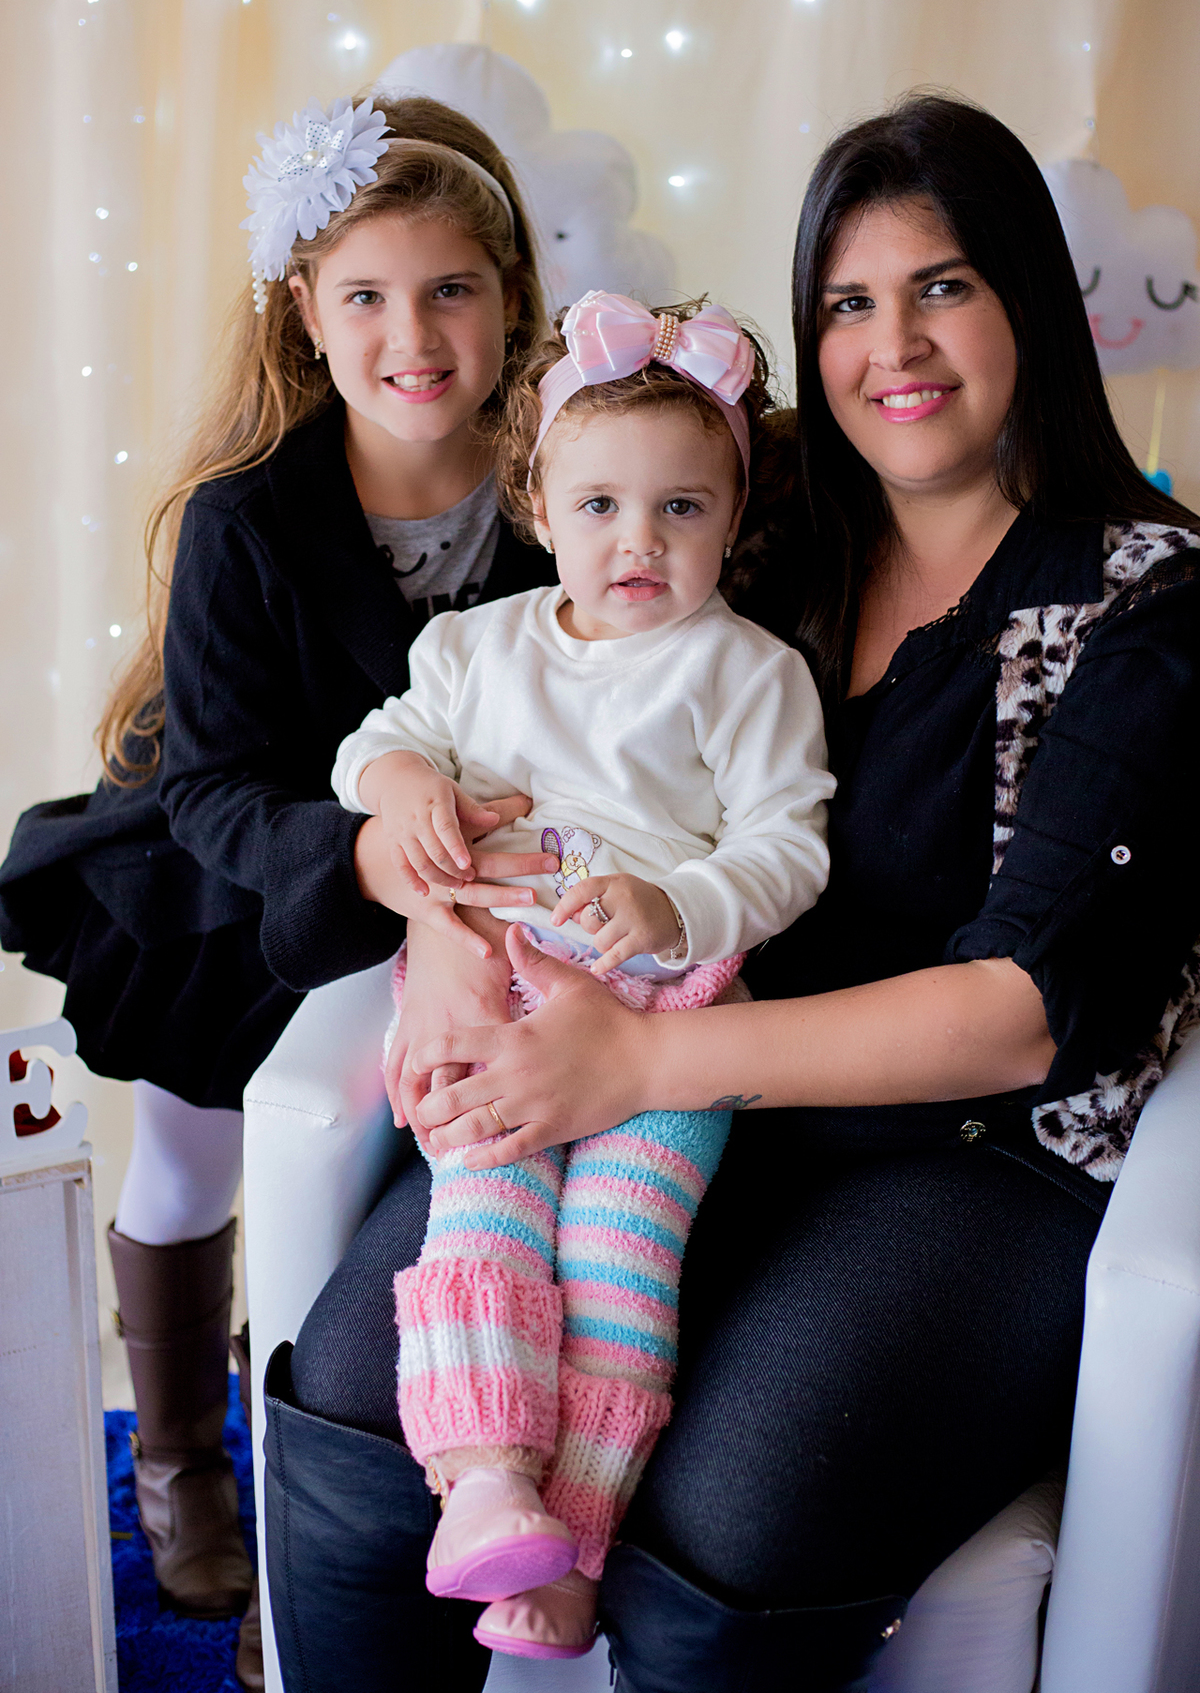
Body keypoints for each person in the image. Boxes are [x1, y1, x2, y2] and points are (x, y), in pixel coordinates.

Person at [266, 91, 1200, 1693]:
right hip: (640, 1065)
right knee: (359, 1400)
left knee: (720, 1522)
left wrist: (641, 1061)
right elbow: (514, 744)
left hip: (962, 1160)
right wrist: (444, 926)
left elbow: (1024, 1017)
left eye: (945, 286)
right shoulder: (752, 535)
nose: (894, 345)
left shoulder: (1140, 602)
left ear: (1033, 301)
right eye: (848, 303)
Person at [0, 91, 559, 1685]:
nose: (413, 337)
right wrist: (363, 853)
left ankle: (305, 1428)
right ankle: (181, 1452)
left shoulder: (561, 483)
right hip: (233, 885)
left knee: (359, 1188)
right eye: (366, 296)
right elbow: (217, 783)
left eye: (450, 291)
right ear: (306, 314)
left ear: (511, 299)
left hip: (452, 896)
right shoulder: (247, 517)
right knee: (194, 1171)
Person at [330, 289, 834, 1660]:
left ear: (733, 516)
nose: (639, 540)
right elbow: (375, 744)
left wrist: (677, 903)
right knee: (482, 1215)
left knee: (619, 1260)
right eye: (601, 505)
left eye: (682, 508)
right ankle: (483, 1481)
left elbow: (789, 849)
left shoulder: (747, 675)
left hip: (668, 1016)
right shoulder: (475, 650)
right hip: (493, 995)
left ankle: (574, 1542)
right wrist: (403, 793)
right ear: (540, 508)